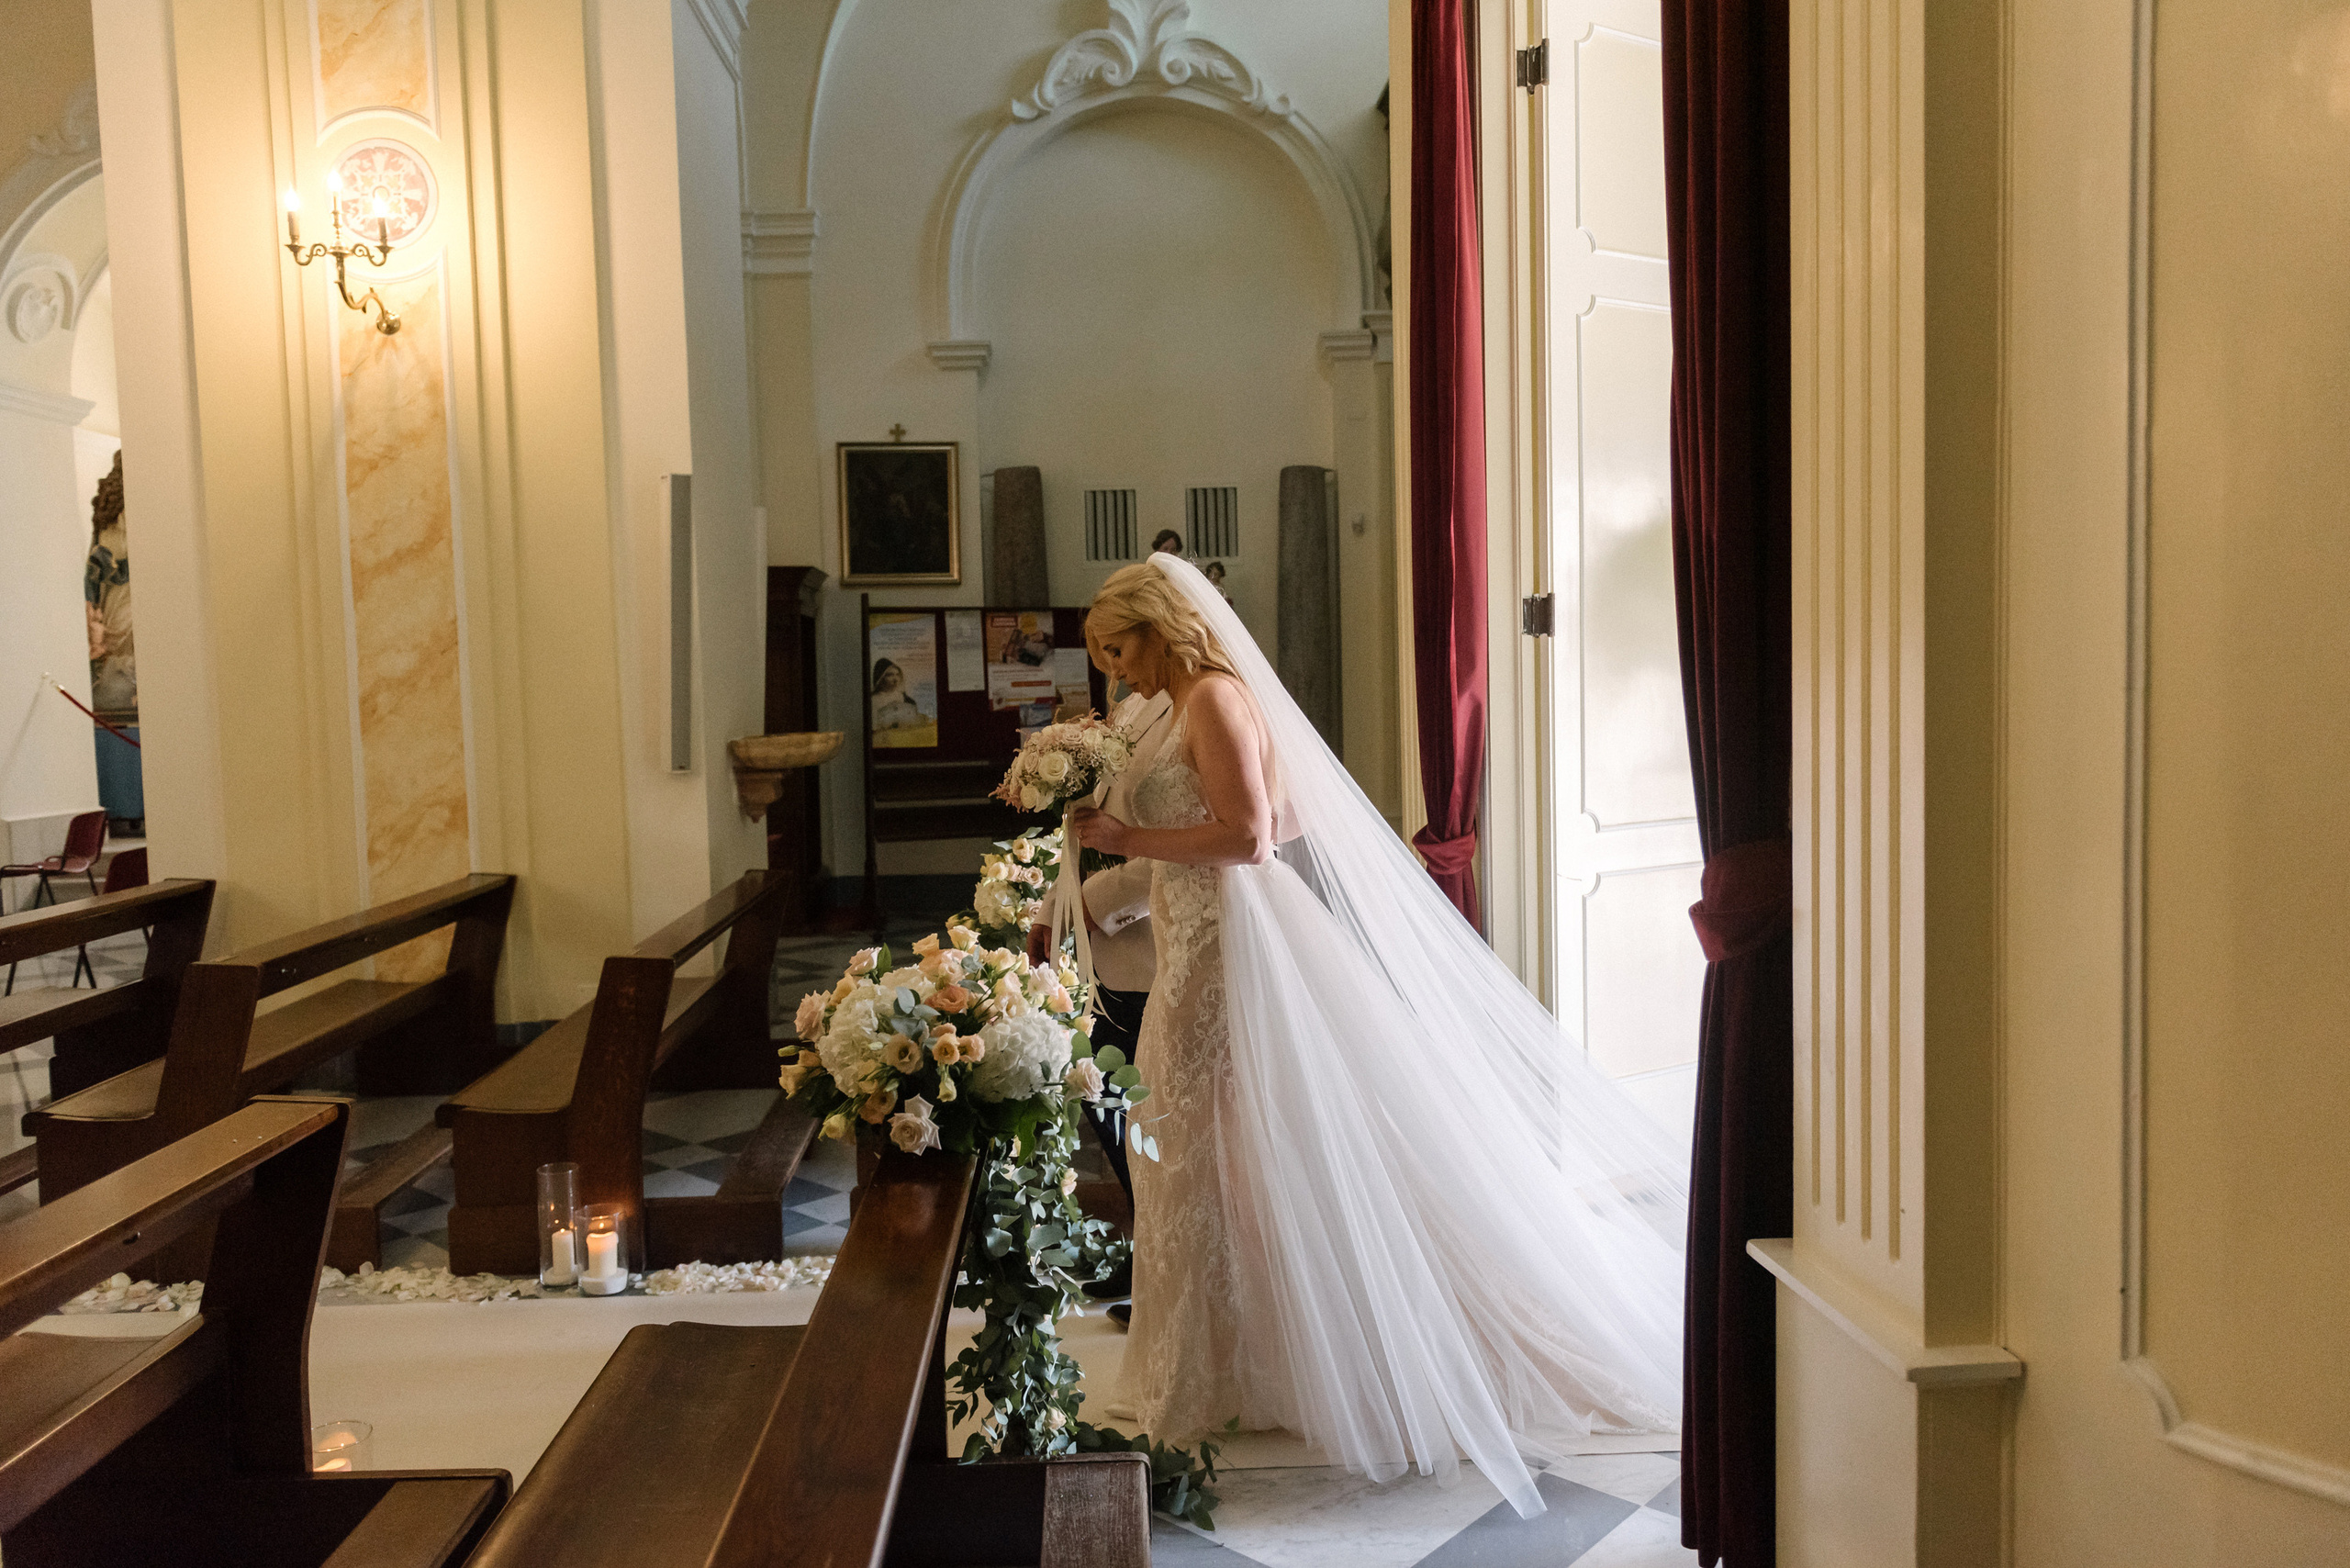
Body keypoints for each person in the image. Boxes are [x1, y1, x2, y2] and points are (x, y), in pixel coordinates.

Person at [1069, 554, 1686, 1519]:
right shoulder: (1167, 706)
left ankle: (1213, 1375)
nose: (1115, 667)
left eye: (1119, 646)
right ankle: (1227, 1361)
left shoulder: (1217, 700)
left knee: (1191, 1146)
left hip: (1232, 950)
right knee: (1200, 1156)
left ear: (1161, 625)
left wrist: (1124, 840)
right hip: (1189, 943)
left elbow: (1250, 837)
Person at [1034, 620, 1175, 1324]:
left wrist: (1096, 906)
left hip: (1157, 944)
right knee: (1108, 1100)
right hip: (1107, 958)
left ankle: (1169, 1258)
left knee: (1156, 1112)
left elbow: (1182, 840)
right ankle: (1151, 1242)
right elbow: (1101, 823)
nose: (1111, 670)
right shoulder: (1130, 708)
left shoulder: (1194, 708)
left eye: (1117, 651)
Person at [869, 659, 925, 731]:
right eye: (890, 675)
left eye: (897, 674)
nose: (895, 679)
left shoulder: (907, 700)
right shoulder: (873, 700)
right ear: (880, 678)